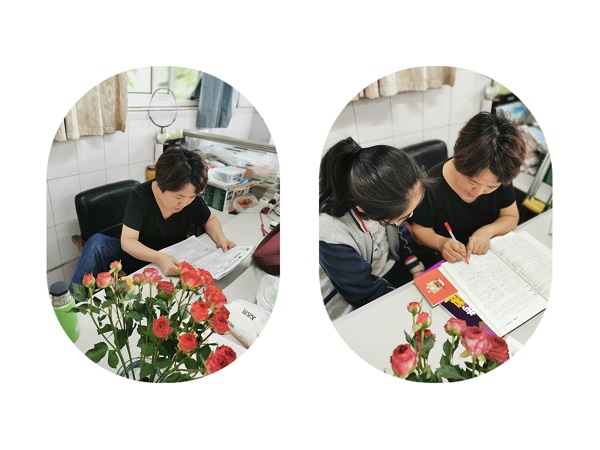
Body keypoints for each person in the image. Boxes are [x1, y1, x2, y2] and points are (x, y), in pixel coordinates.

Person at [70, 145, 236, 288]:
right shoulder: (140, 196)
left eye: (191, 197)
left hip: (174, 256)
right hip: (140, 255)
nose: (185, 203)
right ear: (162, 184)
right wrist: (159, 257)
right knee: (96, 243)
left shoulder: (189, 197)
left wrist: (221, 239)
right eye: (178, 197)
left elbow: (209, 219)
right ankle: (69, 305)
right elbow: (128, 241)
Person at [319, 137, 434, 320]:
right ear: (364, 210)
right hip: (358, 291)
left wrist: (415, 268)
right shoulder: (332, 235)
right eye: (403, 216)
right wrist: (409, 303)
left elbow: (399, 234)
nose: (410, 216)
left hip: (389, 267)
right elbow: (361, 293)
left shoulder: (382, 201)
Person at [410, 110, 526, 266]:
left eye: (491, 186)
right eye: (472, 182)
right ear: (458, 160)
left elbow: (511, 217)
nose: (478, 192)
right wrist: (441, 243)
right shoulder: (432, 184)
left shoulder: (501, 174)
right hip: (449, 262)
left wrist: (487, 232)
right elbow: (419, 230)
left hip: (486, 259)